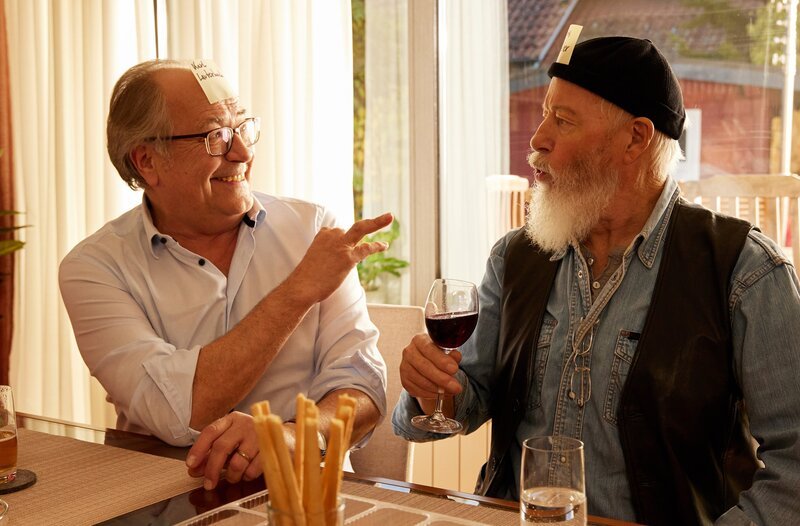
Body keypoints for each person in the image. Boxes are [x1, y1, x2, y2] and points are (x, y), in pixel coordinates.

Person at [392, 35, 800, 526]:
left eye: (562, 121)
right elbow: (467, 399)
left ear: (635, 138)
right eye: (545, 115)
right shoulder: (516, 256)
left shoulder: (744, 270)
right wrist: (430, 386)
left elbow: (794, 465)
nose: (538, 139)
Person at [59, 59, 392, 491]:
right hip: (161, 503)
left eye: (243, 127)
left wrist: (290, 436)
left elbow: (363, 387)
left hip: (306, 498)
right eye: (215, 136)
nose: (243, 152)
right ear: (147, 161)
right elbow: (178, 414)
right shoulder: (94, 269)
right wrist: (297, 293)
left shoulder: (312, 230)